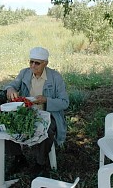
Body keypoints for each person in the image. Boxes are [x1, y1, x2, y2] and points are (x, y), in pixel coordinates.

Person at [5, 47, 69, 177]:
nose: (33, 66)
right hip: (27, 113)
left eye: (37, 63)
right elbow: (11, 85)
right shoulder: (24, 73)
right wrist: (10, 89)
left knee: (48, 130)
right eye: (31, 62)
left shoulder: (55, 77)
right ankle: (18, 158)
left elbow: (64, 102)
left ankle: (40, 163)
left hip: (48, 113)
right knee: (8, 124)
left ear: (45, 63)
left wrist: (46, 100)